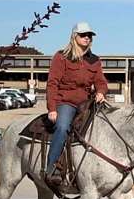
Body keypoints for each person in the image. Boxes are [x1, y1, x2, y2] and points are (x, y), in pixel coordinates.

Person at [45, 22, 108, 185]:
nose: (87, 38)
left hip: (86, 104)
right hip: (66, 102)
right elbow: (52, 83)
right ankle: (52, 167)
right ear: (75, 37)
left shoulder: (95, 60)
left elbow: (101, 82)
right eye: (83, 35)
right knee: (63, 127)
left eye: (90, 35)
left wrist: (101, 92)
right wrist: (52, 108)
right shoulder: (61, 57)